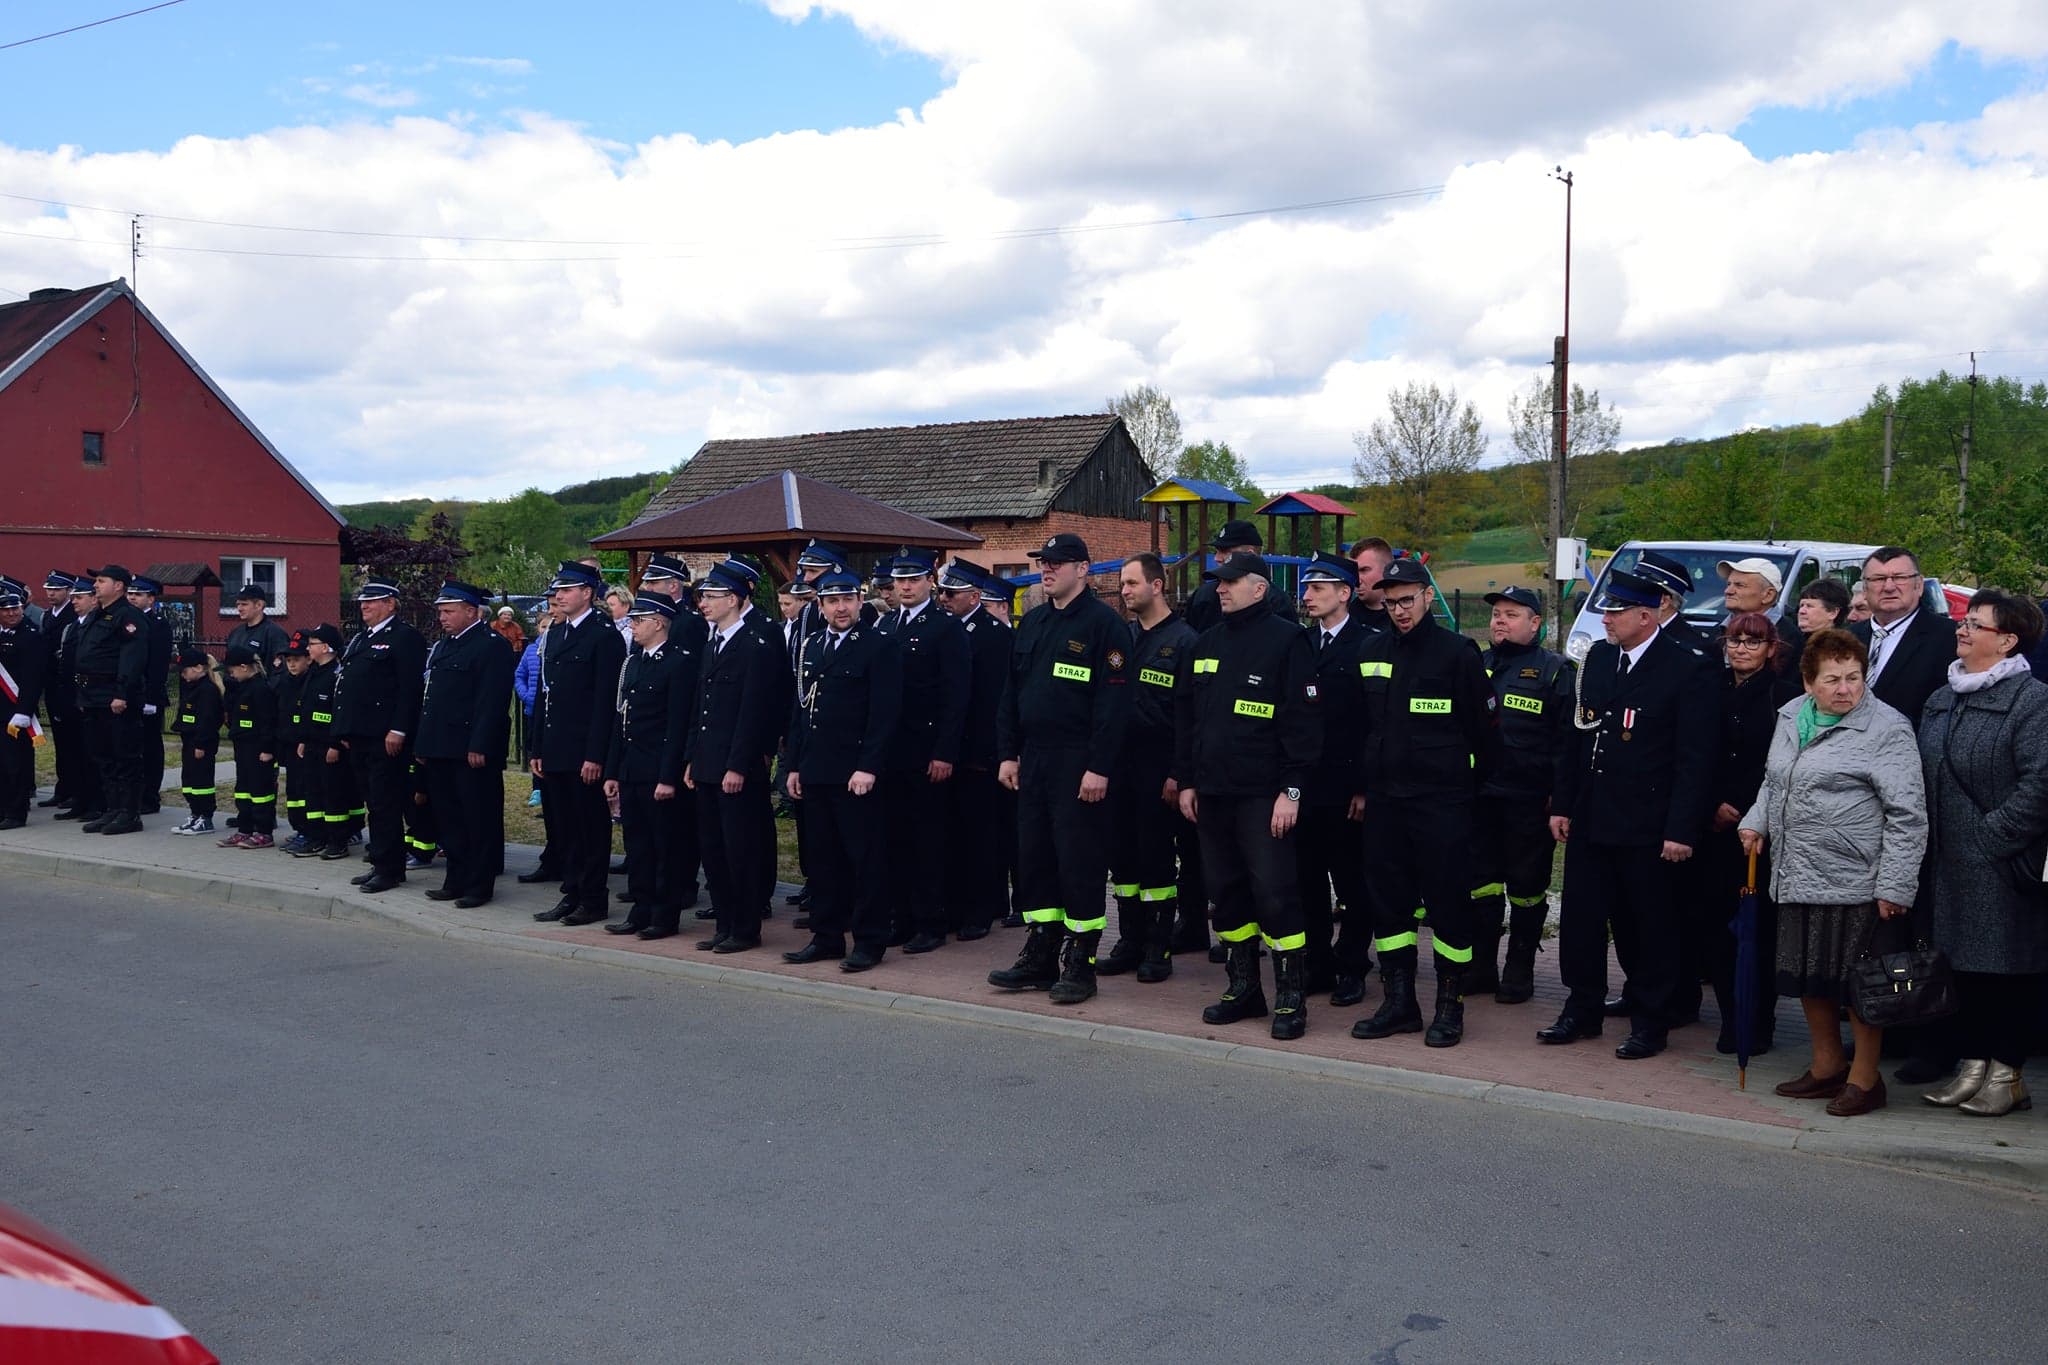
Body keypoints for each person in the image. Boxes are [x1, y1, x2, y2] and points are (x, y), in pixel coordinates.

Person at [1740, 628, 1927, 1117]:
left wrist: (1896, 884)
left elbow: (1908, 814)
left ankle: (1866, 1079)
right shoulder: (1791, 715)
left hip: (1856, 879)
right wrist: (1756, 821)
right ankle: (1826, 1066)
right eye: (1832, 680)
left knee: (1859, 985)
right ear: (1808, 683)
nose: (1845, 689)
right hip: (1797, 870)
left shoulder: (1887, 728)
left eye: (1854, 677)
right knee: (1807, 974)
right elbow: (1775, 782)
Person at [1540, 569, 1717, 1059]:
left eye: (1616, 612)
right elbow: (1577, 738)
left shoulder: (1686, 667)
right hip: (1593, 814)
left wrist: (1681, 829)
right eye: (1607, 610)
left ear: (1646, 615)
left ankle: (1651, 1019)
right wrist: (1562, 803)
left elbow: (1695, 758)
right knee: (1581, 919)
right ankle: (1581, 1008)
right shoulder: (1598, 658)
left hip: (1648, 821)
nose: (1606, 620)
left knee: (1649, 925)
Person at [1350, 557, 1498, 1048]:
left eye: (1407, 601)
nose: (1399, 611)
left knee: (1449, 906)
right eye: (1391, 603)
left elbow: (1485, 736)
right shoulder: (1371, 650)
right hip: (1386, 804)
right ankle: (1400, 1004)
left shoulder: (1458, 653)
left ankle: (1450, 1006)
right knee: (1389, 907)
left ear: (1428, 596)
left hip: (1442, 805)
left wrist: (1467, 796)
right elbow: (1362, 725)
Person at [1174, 553, 1321, 1037]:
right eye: (1218, 582)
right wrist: (1187, 780)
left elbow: (1302, 724)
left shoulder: (1287, 640)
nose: (1221, 589)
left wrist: (1292, 790)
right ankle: (1244, 988)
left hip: (1264, 795)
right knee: (1226, 894)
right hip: (1213, 792)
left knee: (1275, 895)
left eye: (1231, 582)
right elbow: (1187, 719)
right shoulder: (1206, 642)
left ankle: (1291, 998)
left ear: (1259, 588)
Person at [1914, 590, 2048, 1117]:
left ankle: (2007, 1076)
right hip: (1946, 863)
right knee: (1961, 969)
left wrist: (1993, 836)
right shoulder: (1944, 695)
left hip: (2001, 863)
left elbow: (2041, 781)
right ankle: (1972, 1068)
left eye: (1976, 624)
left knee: (2005, 972)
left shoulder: (2032, 700)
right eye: (1963, 621)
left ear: (2008, 640)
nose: (1962, 629)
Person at [989, 532, 1131, 1003]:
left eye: (1057, 562)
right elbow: (1011, 694)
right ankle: (1041, 954)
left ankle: (1080, 962)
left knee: (1078, 861)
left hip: (1078, 761)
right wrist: (1007, 753)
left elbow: (1113, 705)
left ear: (1083, 569)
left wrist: (1099, 767)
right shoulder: (1033, 622)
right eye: (1043, 562)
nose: (1046, 569)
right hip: (1034, 758)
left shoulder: (1104, 626)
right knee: (1035, 859)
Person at [782, 567, 901, 970]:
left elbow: (884, 714)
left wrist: (868, 767)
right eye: (832, 601)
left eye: (848, 599)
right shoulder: (812, 645)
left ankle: (869, 941)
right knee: (822, 860)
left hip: (855, 773)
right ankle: (826, 936)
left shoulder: (878, 646)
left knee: (864, 860)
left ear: (860, 601)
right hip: (816, 769)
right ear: (820, 606)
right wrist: (793, 765)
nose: (841, 608)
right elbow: (801, 710)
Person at [1691, 611, 1789, 1054]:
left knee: (1757, 930)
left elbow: (1780, 764)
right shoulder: (1707, 689)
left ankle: (1758, 1019)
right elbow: (1693, 752)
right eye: (1735, 641)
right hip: (1712, 825)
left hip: (1759, 831)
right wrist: (1711, 802)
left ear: (1770, 649)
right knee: (1714, 926)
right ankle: (1731, 1016)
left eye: (1752, 642)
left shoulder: (1783, 696)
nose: (1742, 650)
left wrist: (1752, 811)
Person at [1473, 585, 1574, 1004]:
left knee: (1527, 888)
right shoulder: (1477, 664)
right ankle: (1480, 967)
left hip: (1529, 800)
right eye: (1496, 613)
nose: (1500, 620)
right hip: (1479, 797)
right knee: (1480, 885)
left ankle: (1519, 970)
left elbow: (1568, 744)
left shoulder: (1555, 670)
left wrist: (1561, 799)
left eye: (1511, 614)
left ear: (1535, 624)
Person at [1102, 552, 1198, 983]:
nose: (1124, 591)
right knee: (1121, 856)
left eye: (1131, 583)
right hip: (1119, 765)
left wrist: (1179, 773)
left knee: (1156, 857)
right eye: (1122, 584)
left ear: (1157, 586)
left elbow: (1191, 717)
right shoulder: (1121, 637)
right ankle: (1130, 941)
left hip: (1159, 767)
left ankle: (1158, 948)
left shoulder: (1185, 641)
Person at [684, 558, 786, 954]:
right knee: (713, 849)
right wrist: (692, 757)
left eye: (712, 596)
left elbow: (753, 712)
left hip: (733, 766)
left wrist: (738, 765)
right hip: (707, 762)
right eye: (703, 596)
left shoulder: (754, 645)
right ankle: (724, 923)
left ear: (734, 599)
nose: (704, 603)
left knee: (739, 850)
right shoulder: (714, 641)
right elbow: (700, 705)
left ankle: (745, 927)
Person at [874, 548, 969, 952]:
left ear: (931, 581)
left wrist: (945, 751)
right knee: (893, 838)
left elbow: (956, 695)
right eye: (900, 580)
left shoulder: (945, 628)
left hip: (926, 750)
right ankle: (902, 918)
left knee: (927, 840)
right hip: (890, 751)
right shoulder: (885, 625)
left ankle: (931, 922)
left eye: (913, 579)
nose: (906, 587)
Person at [1292, 551, 1374, 1004]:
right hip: (1306, 785)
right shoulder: (1301, 643)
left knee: (1352, 884)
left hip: (1346, 789)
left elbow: (1372, 722)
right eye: (1307, 587)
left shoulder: (1368, 644)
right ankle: (1318, 964)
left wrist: (1363, 786)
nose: (1308, 595)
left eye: (1318, 588)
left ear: (1344, 593)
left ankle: (1353, 966)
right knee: (1308, 882)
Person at [527, 562, 628, 926]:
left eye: (566, 590)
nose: (559, 596)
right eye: (557, 590)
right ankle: (571, 891)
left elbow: (605, 702)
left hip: (584, 750)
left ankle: (592, 898)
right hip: (555, 747)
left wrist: (595, 755)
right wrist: (537, 747)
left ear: (587, 593)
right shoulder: (556, 633)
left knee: (590, 827)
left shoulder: (603, 635)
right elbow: (545, 694)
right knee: (564, 826)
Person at [601, 593, 699, 939]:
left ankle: (664, 914)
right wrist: (613, 771)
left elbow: (677, 724)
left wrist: (668, 776)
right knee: (637, 844)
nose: (632, 625)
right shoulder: (633, 662)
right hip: (632, 767)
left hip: (658, 769)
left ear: (658, 622)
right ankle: (641, 908)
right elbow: (621, 719)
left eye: (638, 620)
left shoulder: (679, 662)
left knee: (665, 846)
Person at [416, 580, 518, 909]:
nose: (442, 618)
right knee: (449, 818)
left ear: (471, 611)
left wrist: (480, 745)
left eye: (449, 611)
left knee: (478, 818)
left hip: (470, 750)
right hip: (441, 746)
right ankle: (455, 879)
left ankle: (479, 884)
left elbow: (492, 702)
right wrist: (424, 743)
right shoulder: (445, 645)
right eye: (441, 612)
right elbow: (432, 699)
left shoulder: (491, 645)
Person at [331, 578, 429, 894]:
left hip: (385, 735)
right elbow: (347, 686)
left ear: (390, 604)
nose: (364, 606)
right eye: (363, 601)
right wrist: (344, 728)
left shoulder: (404, 637)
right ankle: (381, 861)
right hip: (360, 734)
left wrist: (399, 728)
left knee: (386, 803)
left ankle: (389, 869)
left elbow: (409, 689)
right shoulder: (362, 638)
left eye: (371, 601)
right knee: (373, 802)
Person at [937, 558, 1014, 941]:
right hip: (950, 749)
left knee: (980, 836)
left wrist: (992, 754)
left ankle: (981, 911)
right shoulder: (947, 629)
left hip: (978, 753)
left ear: (975, 596)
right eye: (942, 592)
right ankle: (956, 906)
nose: (944, 599)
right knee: (952, 835)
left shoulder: (993, 635)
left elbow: (994, 701)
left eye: (951, 593)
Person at [73, 565, 150, 836]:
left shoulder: (128, 616)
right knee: (103, 756)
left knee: (124, 755)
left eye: (101, 581)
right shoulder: (98, 614)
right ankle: (112, 809)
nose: (95, 585)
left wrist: (121, 693)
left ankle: (129, 814)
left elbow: (132, 658)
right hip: (93, 696)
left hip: (115, 697)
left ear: (118, 586)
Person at [1850, 546, 1957, 735]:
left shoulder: (1951, 638)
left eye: (1899, 577)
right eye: (1879, 579)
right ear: (1864, 589)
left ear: (1919, 585)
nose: (1889, 587)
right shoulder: (1845, 638)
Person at [297, 624, 362, 860]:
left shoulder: (338, 675)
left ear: (325, 648)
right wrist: (303, 739)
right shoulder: (314, 672)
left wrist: (335, 744)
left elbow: (340, 712)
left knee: (333, 793)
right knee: (313, 791)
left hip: (329, 746)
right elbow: (307, 709)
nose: (308, 648)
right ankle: (317, 837)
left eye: (312, 644)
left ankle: (338, 840)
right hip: (312, 743)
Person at [1183, 520, 1298, 632]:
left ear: (1249, 554)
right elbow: (1188, 639)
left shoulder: (1277, 603)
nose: (1216, 558)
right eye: (1216, 551)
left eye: (1225, 551)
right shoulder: (1203, 596)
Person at [217, 644, 279, 848]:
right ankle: (245, 828)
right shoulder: (241, 687)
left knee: (260, 790)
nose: (231, 675)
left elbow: (268, 721)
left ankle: (264, 831)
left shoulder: (261, 689)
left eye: (232, 670)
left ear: (244, 667)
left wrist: (267, 749)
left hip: (258, 748)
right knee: (243, 790)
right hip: (242, 746)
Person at [36, 572, 87, 814]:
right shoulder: (47, 616)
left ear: (68, 591)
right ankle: (63, 788)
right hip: (52, 686)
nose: (51, 594)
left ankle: (76, 790)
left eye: (56, 590)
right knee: (60, 742)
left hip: (68, 685)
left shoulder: (72, 616)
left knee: (73, 742)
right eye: (49, 589)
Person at [123, 575, 173, 815]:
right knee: (131, 747)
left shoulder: (158, 624)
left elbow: (158, 664)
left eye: (138, 594)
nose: (132, 598)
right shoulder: (126, 620)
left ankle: (150, 797)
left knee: (150, 748)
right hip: (130, 694)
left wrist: (151, 698)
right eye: (130, 594)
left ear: (151, 599)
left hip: (148, 696)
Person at [0, 580, 44, 829]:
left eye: (15, 609)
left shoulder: (30, 636)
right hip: (1, 710)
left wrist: (24, 711)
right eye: (5, 610)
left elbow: (33, 678)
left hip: (17, 712)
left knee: (16, 765)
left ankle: (16, 812)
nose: (11, 613)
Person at [168, 645, 224, 836]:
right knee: (189, 779)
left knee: (202, 780)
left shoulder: (208, 690)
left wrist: (201, 744)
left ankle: (205, 817)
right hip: (189, 740)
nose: (182, 675)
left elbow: (208, 720)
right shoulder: (190, 687)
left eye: (185, 671)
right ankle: (195, 813)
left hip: (202, 744)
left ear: (199, 668)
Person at [1717, 556, 1804, 674]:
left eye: (1739, 585)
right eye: (1728, 584)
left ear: (1768, 595)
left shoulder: (1789, 639)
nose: (1728, 591)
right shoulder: (1716, 632)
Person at [274, 631, 320, 853]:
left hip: (306, 745)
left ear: (308, 660)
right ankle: (300, 828)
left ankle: (310, 831)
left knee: (306, 790)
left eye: (296, 660)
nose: (291, 664)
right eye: (288, 660)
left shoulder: (311, 681)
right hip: (289, 745)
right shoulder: (284, 682)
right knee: (293, 791)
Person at [1634, 550, 1716, 669]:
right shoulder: (1630, 634)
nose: (1629, 598)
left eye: (1639, 593)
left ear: (1663, 602)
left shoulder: (1699, 645)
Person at [225, 583, 291, 690]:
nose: (239, 608)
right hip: (236, 694)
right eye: (238, 604)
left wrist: (264, 693)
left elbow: (279, 673)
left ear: (259, 605)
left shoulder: (274, 634)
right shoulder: (236, 633)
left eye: (244, 604)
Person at [513, 620, 546, 808]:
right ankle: (537, 788)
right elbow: (520, 675)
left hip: (551, 710)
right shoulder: (531, 650)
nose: (546, 630)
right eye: (543, 626)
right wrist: (526, 696)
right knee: (534, 748)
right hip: (533, 708)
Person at [1347, 537, 1394, 635]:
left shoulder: (1404, 616)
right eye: (1353, 572)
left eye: (1364, 570)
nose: (1357, 580)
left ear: (1387, 570)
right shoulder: (1345, 616)